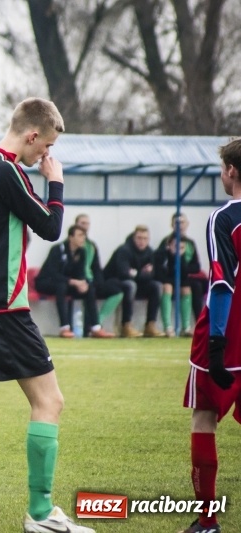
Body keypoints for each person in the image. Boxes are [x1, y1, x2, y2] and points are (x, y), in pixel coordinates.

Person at [0, 97, 94, 533]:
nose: (46, 154)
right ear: (32, 135)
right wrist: (55, 183)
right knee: (50, 401)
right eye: (46, 146)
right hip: (2, 306)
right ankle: (41, 514)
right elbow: (50, 226)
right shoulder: (6, 170)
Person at [180, 139, 241, 533]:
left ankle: (207, 522)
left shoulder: (224, 217)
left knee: (204, 418)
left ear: (231, 171)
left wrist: (216, 344)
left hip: (228, 334)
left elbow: (221, 283)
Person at [34, 225, 114, 338]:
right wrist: (72, 281)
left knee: (89, 289)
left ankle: (96, 328)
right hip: (46, 282)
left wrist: (82, 283)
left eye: (84, 236)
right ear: (71, 237)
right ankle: (64, 328)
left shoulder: (82, 252)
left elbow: (80, 273)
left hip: (67, 284)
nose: (83, 239)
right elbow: (52, 273)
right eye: (80, 235)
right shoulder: (58, 249)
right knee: (61, 286)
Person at [103, 225, 166, 338]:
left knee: (157, 286)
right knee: (130, 285)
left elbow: (152, 275)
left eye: (145, 238)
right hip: (115, 282)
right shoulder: (124, 250)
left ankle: (150, 325)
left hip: (137, 283)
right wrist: (142, 273)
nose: (142, 241)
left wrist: (135, 273)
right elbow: (123, 273)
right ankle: (126, 325)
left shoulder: (150, 252)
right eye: (139, 238)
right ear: (134, 238)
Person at [73, 213, 125, 332]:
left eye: (87, 224)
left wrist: (99, 282)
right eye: (82, 223)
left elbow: (96, 267)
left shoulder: (91, 245)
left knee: (117, 290)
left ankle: (98, 321)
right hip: (78, 282)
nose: (85, 226)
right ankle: (93, 327)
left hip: (92, 280)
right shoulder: (72, 246)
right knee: (89, 291)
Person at [156, 213, 204, 337]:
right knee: (167, 287)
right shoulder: (166, 242)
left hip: (183, 276)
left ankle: (186, 327)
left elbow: (196, 266)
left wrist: (181, 257)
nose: (180, 226)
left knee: (187, 288)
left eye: (182, 222)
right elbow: (161, 264)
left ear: (187, 224)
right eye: (177, 223)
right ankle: (168, 327)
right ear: (172, 225)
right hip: (169, 277)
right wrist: (172, 254)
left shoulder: (190, 243)